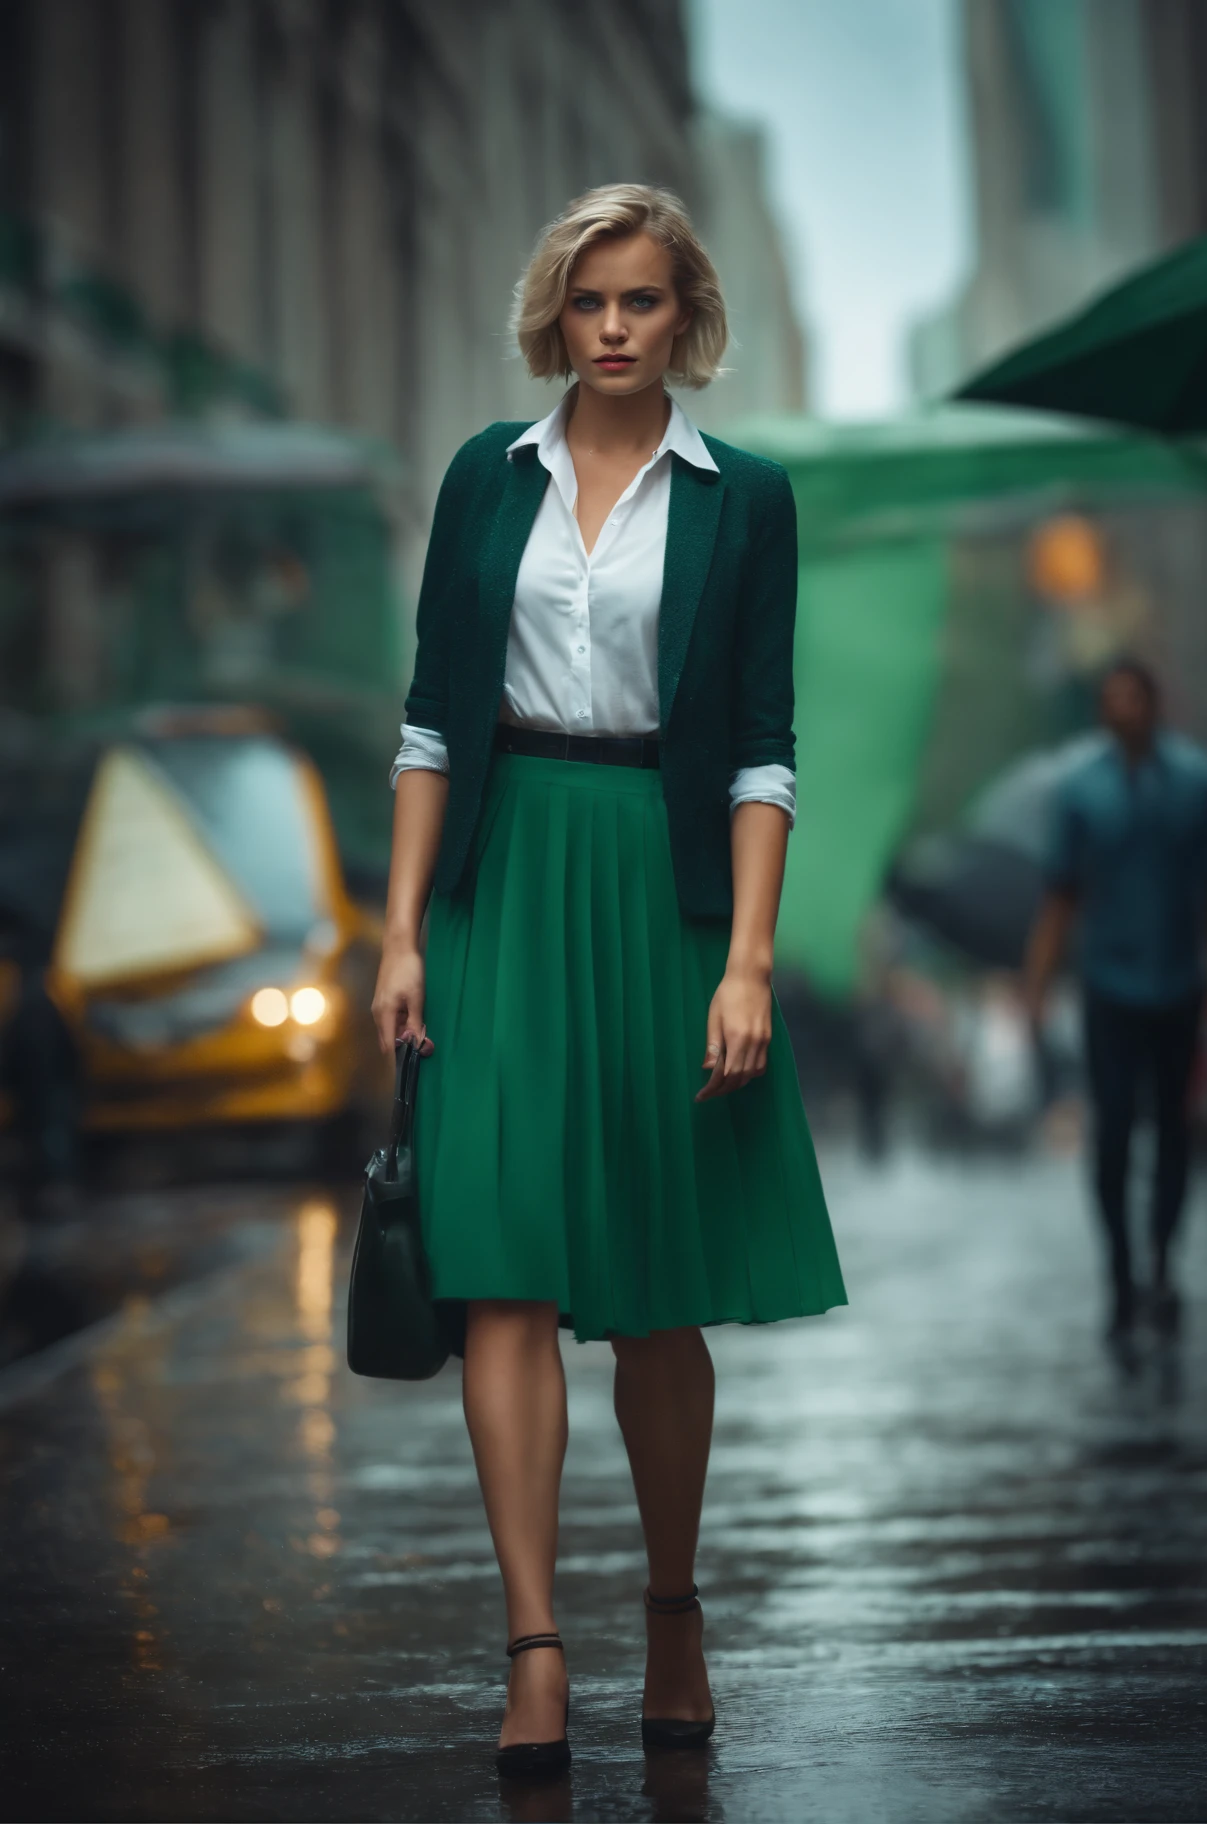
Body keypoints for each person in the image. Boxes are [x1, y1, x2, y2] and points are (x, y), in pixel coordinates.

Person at [370, 185, 846, 1777]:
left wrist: (750, 959)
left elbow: (766, 746)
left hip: (664, 887)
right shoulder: (480, 481)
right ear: (556, 319)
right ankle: (534, 1648)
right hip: (504, 890)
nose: (619, 327)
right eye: (592, 304)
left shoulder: (745, 502)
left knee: (651, 1284)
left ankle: (669, 1610)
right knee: (501, 1258)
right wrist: (400, 931)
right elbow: (436, 719)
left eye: (645, 300)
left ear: (686, 315)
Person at [1024, 659, 1207, 1340]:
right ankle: (1119, 1263)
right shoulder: (1080, 793)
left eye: (1132, 696)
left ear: (1154, 703)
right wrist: (1035, 982)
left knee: (1174, 1128)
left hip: (1179, 983)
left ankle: (1161, 1260)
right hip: (1109, 986)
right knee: (1113, 1131)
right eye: (1110, 699)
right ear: (1101, 712)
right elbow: (1060, 895)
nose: (1122, 708)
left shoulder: (1199, 787)